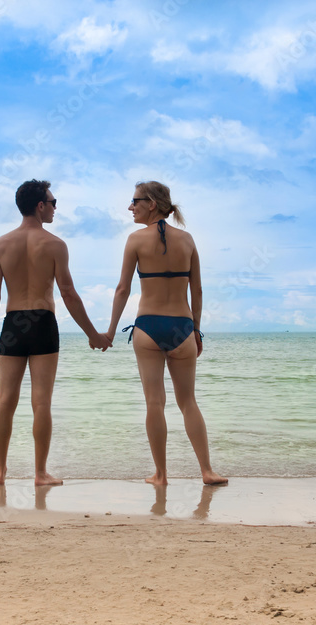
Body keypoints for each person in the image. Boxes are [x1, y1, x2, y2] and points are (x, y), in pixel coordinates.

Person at [0, 179, 112, 486]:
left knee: (5, 400)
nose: (56, 208)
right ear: (40, 205)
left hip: (13, 324)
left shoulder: (0, 244)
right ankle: (40, 474)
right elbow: (68, 293)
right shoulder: (55, 245)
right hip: (42, 322)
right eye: (53, 203)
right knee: (41, 402)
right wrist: (93, 334)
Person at [106, 181, 228, 486]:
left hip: (147, 327)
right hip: (182, 328)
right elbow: (197, 290)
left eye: (134, 201)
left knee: (154, 403)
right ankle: (207, 471)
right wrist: (196, 330)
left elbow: (123, 289)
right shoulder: (187, 240)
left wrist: (110, 331)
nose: (130, 207)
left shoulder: (135, 240)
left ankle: (160, 475)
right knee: (188, 402)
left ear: (151, 204)